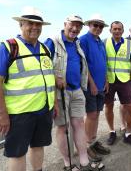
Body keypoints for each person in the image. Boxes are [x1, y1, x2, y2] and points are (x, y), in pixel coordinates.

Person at [0, 6, 57, 171]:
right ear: (21, 24)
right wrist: (3, 114)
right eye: (30, 23)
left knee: (38, 147)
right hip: (19, 114)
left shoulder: (45, 49)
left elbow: (49, 78)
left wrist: (54, 105)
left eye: (38, 24)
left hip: (43, 110)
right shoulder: (8, 47)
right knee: (17, 153)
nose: (34, 27)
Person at [44, 15, 104, 171]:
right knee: (63, 127)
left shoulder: (77, 43)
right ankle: (68, 164)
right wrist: (54, 79)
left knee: (79, 124)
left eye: (78, 26)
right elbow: (42, 67)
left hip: (77, 89)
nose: (75, 29)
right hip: (60, 92)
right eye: (72, 25)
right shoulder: (52, 42)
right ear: (65, 24)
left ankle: (84, 161)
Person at [79, 14, 110, 160]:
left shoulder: (100, 42)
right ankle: (86, 146)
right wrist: (91, 83)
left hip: (101, 84)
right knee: (91, 115)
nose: (98, 28)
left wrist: (106, 80)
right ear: (89, 25)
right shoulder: (84, 40)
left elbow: (103, 62)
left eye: (100, 26)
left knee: (97, 114)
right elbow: (83, 64)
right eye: (95, 25)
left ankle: (93, 141)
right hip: (90, 85)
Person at [104, 21, 131, 147]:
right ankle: (112, 131)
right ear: (110, 30)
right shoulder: (104, 43)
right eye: (115, 29)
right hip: (109, 80)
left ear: (123, 31)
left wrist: (130, 79)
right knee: (108, 106)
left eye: (119, 29)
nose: (117, 31)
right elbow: (102, 61)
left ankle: (128, 134)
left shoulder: (129, 44)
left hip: (124, 81)